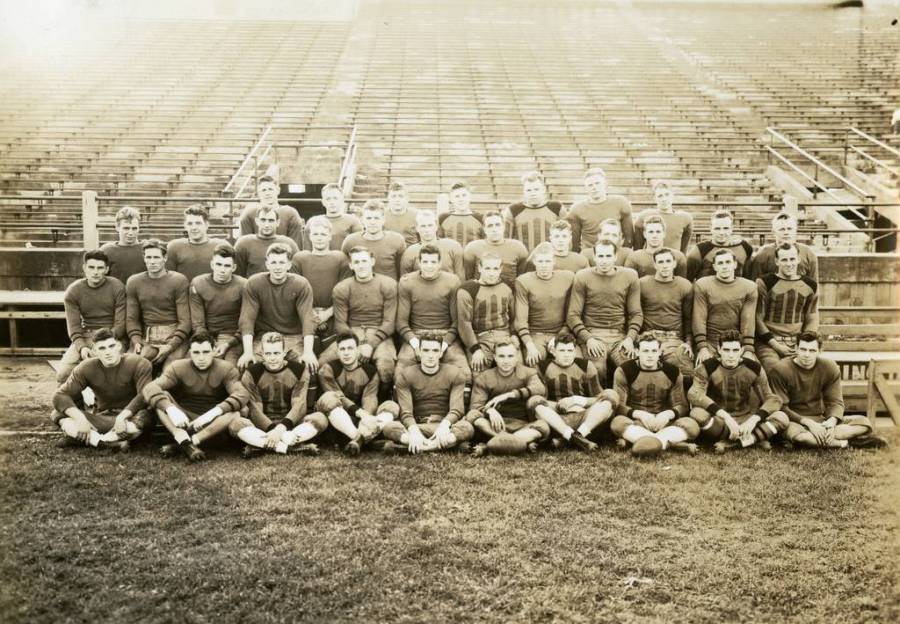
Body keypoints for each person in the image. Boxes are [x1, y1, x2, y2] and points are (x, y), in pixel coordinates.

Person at [144, 331, 250, 462]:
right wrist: (171, 409)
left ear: (214, 351)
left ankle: (188, 443)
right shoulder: (178, 366)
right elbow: (150, 387)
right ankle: (182, 439)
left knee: (237, 412)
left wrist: (212, 413)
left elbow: (242, 394)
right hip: (184, 421)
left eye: (205, 352)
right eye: (196, 352)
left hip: (214, 424)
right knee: (162, 399)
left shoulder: (226, 368)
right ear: (190, 352)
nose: (201, 357)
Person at [769, 332, 887, 449]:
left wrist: (831, 423)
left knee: (864, 422)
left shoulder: (829, 367)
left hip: (821, 420)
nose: (807, 355)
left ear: (820, 351)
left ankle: (823, 438)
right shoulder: (780, 370)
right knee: (802, 438)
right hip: (794, 421)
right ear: (796, 349)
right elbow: (781, 407)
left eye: (812, 351)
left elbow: (835, 402)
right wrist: (809, 423)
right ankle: (847, 443)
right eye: (803, 349)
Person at [51, 328, 152, 451]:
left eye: (111, 346)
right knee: (58, 413)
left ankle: (87, 439)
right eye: (102, 348)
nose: (108, 352)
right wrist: (81, 419)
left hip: (130, 418)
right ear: (94, 351)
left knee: (146, 416)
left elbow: (144, 395)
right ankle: (108, 442)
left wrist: (122, 418)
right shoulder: (86, 367)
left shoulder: (140, 363)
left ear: (119, 346)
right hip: (103, 417)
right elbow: (59, 396)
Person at [687, 330, 788, 453]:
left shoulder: (754, 367)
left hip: (745, 417)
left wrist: (753, 420)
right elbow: (694, 395)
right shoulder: (706, 367)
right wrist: (726, 417)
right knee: (697, 413)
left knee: (782, 417)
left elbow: (773, 399)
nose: (731, 355)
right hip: (720, 420)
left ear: (741, 350)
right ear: (719, 349)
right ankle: (753, 438)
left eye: (735, 350)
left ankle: (734, 443)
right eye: (726, 350)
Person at [231, 331, 328, 457]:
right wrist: (272, 430)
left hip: (291, 424)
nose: (272, 358)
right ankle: (290, 448)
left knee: (321, 419)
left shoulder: (299, 370)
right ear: (262, 354)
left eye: (276, 353)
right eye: (268, 353)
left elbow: (299, 405)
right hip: (262, 425)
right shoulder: (252, 372)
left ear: (284, 353)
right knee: (235, 424)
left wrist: (281, 429)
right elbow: (255, 410)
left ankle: (261, 446)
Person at [380, 332, 475, 453]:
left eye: (435, 350)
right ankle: (443, 446)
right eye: (426, 350)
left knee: (467, 428)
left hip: (443, 426)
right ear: (419, 352)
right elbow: (406, 412)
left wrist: (444, 426)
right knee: (389, 427)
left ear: (441, 353)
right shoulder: (405, 375)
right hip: (418, 426)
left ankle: (419, 447)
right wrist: (414, 432)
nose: (430, 355)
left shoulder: (455, 373)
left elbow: (457, 410)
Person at [324, 246, 398, 396]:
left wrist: (370, 345)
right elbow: (340, 324)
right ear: (351, 265)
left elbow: (390, 322)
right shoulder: (342, 288)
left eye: (364, 261)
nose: (361, 265)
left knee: (386, 366)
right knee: (323, 362)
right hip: (352, 331)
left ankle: (382, 399)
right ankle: (338, 399)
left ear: (372, 261)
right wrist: (355, 345)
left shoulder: (388, 284)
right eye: (356, 262)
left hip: (379, 332)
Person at [610, 332, 697, 457]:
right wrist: (639, 414)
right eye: (645, 351)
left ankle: (640, 442)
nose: (650, 355)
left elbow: (681, 405)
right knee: (617, 423)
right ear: (637, 352)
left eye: (653, 351)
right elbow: (619, 406)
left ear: (660, 352)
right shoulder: (624, 370)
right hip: (637, 422)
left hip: (663, 423)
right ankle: (668, 443)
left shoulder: (672, 371)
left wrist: (668, 414)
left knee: (692, 426)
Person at [567, 240, 642, 382]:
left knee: (631, 368)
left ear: (615, 257)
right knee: (596, 369)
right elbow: (573, 315)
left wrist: (629, 338)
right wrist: (588, 339)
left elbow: (636, 313)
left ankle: (626, 403)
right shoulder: (583, 276)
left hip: (619, 335)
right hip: (593, 333)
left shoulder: (630, 276)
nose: (604, 261)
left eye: (608, 256)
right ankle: (600, 400)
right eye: (600, 256)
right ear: (594, 257)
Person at [530, 332, 619, 452]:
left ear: (575, 351)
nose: (566, 355)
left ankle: (573, 437)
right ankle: (574, 437)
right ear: (553, 351)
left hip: (584, 418)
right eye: (562, 350)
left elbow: (598, 397)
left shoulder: (586, 365)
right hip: (558, 418)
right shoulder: (542, 367)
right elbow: (541, 400)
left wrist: (575, 400)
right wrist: (559, 405)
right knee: (534, 402)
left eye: (570, 350)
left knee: (610, 396)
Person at [237, 243, 318, 372]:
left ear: (289, 265)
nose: (278, 267)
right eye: (273, 262)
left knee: (305, 367)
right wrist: (247, 352)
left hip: (293, 336)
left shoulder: (301, 284)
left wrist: (308, 352)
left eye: (282, 262)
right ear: (267, 264)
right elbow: (247, 319)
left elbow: (308, 319)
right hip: (265, 336)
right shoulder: (254, 283)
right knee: (250, 366)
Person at [316, 332, 400, 455]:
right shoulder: (327, 369)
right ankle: (363, 440)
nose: (346, 352)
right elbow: (339, 397)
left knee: (392, 406)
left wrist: (367, 417)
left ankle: (357, 441)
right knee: (329, 398)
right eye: (342, 349)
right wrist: (362, 414)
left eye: (350, 348)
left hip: (360, 421)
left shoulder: (370, 371)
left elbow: (369, 398)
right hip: (336, 418)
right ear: (337, 352)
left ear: (357, 350)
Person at [465, 339, 551, 457]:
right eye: (502, 356)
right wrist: (489, 410)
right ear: (495, 357)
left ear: (516, 357)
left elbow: (540, 389)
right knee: (474, 416)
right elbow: (475, 405)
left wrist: (510, 394)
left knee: (543, 426)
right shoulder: (484, 377)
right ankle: (519, 443)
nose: (506, 360)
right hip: (493, 427)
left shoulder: (528, 372)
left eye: (510, 356)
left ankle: (491, 445)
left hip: (522, 426)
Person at [396, 244, 469, 375]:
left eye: (433, 262)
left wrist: (444, 344)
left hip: (445, 333)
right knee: (400, 372)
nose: (429, 266)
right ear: (419, 262)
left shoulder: (452, 281)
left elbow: (457, 321)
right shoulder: (407, 282)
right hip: (417, 333)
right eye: (425, 261)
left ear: (440, 263)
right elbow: (401, 322)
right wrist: (416, 345)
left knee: (464, 373)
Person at [58, 250, 126, 383]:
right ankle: (75, 402)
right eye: (91, 267)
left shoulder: (117, 286)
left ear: (106, 269)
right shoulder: (74, 291)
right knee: (63, 375)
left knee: (115, 372)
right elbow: (74, 327)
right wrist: (82, 347)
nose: (95, 272)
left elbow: (120, 324)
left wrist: (103, 345)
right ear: (84, 268)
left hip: (113, 336)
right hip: (87, 335)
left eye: (100, 268)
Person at [125, 239, 191, 369]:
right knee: (132, 366)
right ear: (144, 258)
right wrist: (136, 341)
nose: (152, 261)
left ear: (165, 258)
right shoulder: (134, 282)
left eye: (156, 257)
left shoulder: (178, 280)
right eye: (148, 257)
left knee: (172, 370)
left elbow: (185, 320)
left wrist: (171, 345)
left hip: (174, 336)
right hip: (148, 337)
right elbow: (131, 318)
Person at [755, 243, 819, 372]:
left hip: (797, 342)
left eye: (792, 259)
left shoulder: (810, 285)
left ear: (798, 259)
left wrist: (804, 343)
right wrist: (776, 345)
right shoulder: (764, 283)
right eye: (784, 260)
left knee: (809, 368)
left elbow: (812, 315)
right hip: (769, 343)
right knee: (775, 369)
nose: (789, 263)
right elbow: (757, 318)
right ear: (777, 261)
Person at [292, 216, 351, 354]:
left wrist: (328, 313)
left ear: (330, 236)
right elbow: (294, 291)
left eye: (323, 234)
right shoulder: (300, 258)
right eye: (315, 234)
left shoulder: (340, 258)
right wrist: (310, 312)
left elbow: (346, 290)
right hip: (305, 314)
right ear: (310, 236)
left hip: (333, 314)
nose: (319, 238)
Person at [692, 248, 757, 364]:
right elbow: (699, 317)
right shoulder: (703, 285)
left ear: (735, 264)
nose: (725, 266)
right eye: (720, 263)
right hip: (711, 341)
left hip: (736, 342)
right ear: (715, 266)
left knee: (752, 370)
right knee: (703, 370)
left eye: (728, 262)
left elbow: (748, 320)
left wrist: (748, 349)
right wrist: (702, 347)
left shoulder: (749, 287)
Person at [514, 246, 577, 365]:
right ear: (534, 262)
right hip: (536, 334)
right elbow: (520, 320)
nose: (544, 265)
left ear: (554, 261)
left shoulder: (567, 278)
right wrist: (530, 345)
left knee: (576, 360)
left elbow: (571, 313)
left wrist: (560, 336)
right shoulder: (523, 281)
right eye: (540, 261)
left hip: (561, 332)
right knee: (533, 359)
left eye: (547, 261)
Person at [457, 252, 516, 373]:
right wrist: (475, 349)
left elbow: (514, 316)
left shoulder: (507, 287)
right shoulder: (467, 289)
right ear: (480, 268)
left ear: (500, 269)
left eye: (495, 268)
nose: (491, 273)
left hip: (503, 335)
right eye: (487, 268)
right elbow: (464, 324)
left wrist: (514, 334)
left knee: (518, 369)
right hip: (480, 337)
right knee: (478, 371)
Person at [639, 248, 694, 378]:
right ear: (654, 264)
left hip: (673, 338)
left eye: (668, 261)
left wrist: (688, 342)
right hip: (648, 337)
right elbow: (635, 313)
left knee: (687, 374)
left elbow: (688, 318)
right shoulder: (643, 283)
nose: (665, 265)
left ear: (674, 263)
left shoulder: (684, 285)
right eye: (661, 262)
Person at [189, 244, 246, 365]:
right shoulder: (198, 283)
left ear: (234, 267)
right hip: (207, 335)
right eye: (219, 264)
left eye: (227, 266)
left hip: (233, 337)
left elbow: (246, 323)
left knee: (229, 369)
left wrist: (229, 343)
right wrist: (207, 343)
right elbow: (198, 323)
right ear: (212, 264)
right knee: (194, 366)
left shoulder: (243, 285)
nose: (222, 269)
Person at [566, 167, 634, 253]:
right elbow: (575, 243)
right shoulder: (576, 209)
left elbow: (629, 237)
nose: (594, 187)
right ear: (585, 188)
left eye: (597, 183)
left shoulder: (621, 203)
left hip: (615, 253)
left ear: (605, 184)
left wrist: (620, 254)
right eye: (590, 185)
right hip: (590, 254)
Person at [341, 199, 407, 281]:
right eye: (369, 218)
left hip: (389, 291)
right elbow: (345, 272)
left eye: (376, 218)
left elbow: (402, 271)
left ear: (383, 220)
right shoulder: (350, 241)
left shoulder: (397, 240)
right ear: (362, 220)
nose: (372, 222)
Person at [463, 210, 529, 289]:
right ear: (484, 229)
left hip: (509, 294)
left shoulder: (518, 248)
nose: (494, 229)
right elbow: (469, 277)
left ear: (503, 226)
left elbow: (521, 277)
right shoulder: (472, 248)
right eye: (490, 226)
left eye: (497, 225)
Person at [503, 171, 564, 252]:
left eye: (536, 189)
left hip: (551, 260)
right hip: (523, 261)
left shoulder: (557, 208)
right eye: (529, 190)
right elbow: (506, 240)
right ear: (524, 191)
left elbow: (566, 238)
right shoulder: (513, 210)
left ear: (543, 189)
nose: (533, 193)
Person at [238, 175, 305, 249]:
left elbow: (296, 246)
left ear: (278, 190)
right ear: (258, 193)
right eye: (264, 190)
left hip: (282, 257)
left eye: (270, 189)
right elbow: (243, 245)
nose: (267, 193)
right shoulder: (250, 213)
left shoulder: (290, 213)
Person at [165, 204, 228, 282]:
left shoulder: (221, 245)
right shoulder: (174, 247)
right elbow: (168, 279)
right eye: (190, 224)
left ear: (207, 225)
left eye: (198, 223)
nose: (194, 228)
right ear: (185, 226)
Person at [749, 212, 818, 281]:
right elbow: (756, 284)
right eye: (782, 229)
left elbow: (814, 285)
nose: (786, 232)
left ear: (795, 230)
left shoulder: (808, 253)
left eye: (789, 229)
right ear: (773, 232)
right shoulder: (763, 254)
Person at [686, 210, 754, 280]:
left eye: (725, 228)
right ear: (711, 229)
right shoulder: (699, 251)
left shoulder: (744, 248)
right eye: (717, 228)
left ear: (732, 229)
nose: (721, 232)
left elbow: (748, 279)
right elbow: (687, 279)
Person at [234, 205, 300, 277]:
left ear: (278, 222)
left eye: (271, 220)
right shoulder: (244, 243)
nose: (266, 225)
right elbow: (238, 275)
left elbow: (295, 275)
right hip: (254, 286)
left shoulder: (289, 244)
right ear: (257, 221)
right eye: (263, 220)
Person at [400, 209, 465, 280]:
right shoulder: (410, 252)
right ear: (417, 228)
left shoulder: (453, 247)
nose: (427, 230)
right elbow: (405, 281)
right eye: (423, 226)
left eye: (430, 225)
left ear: (436, 226)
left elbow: (460, 277)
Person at [633, 181, 693, 253]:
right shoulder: (644, 216)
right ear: (654, 198)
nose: (664, 199)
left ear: (672, 195)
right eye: (660, 196)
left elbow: (683, 250)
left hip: (674, 261)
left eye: (667, 194)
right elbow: (638, 248)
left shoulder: (685, 219)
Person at [100, 206, 145, 284]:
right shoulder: (106, 251)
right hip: (115, 294)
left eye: (134, 228)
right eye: (126, 228)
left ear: (139, 228)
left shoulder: (148, 249)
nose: (130, 233)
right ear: (117, 227)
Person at [524, 221, 589, 273]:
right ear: (550, 238)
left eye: (564, 236)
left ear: (570, 238)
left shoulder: (581, 261)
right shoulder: (541, 259)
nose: (560, 240)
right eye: (556, 236)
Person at [311, 182, 361, 250]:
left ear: (342, 200)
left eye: (335, 198)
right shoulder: (313, 222)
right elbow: (308, 251)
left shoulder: (353, 221)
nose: (332, 202)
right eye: (328, 199)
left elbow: (360, 248)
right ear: (323, 202)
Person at [438, 181, 483, 247]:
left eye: (464, 195)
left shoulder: (480, 218)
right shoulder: (443, 218)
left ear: (469, 197)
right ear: (451, 199)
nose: (461, 199)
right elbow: (439, 243)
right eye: (457, 196)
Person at [384, 181, 420, 245]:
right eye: (393, 196)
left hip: (411, 252)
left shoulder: (417, 215)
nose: (397, 200)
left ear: (407, 198)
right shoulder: (381, 216)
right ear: (388, 198)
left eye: (400, 196)